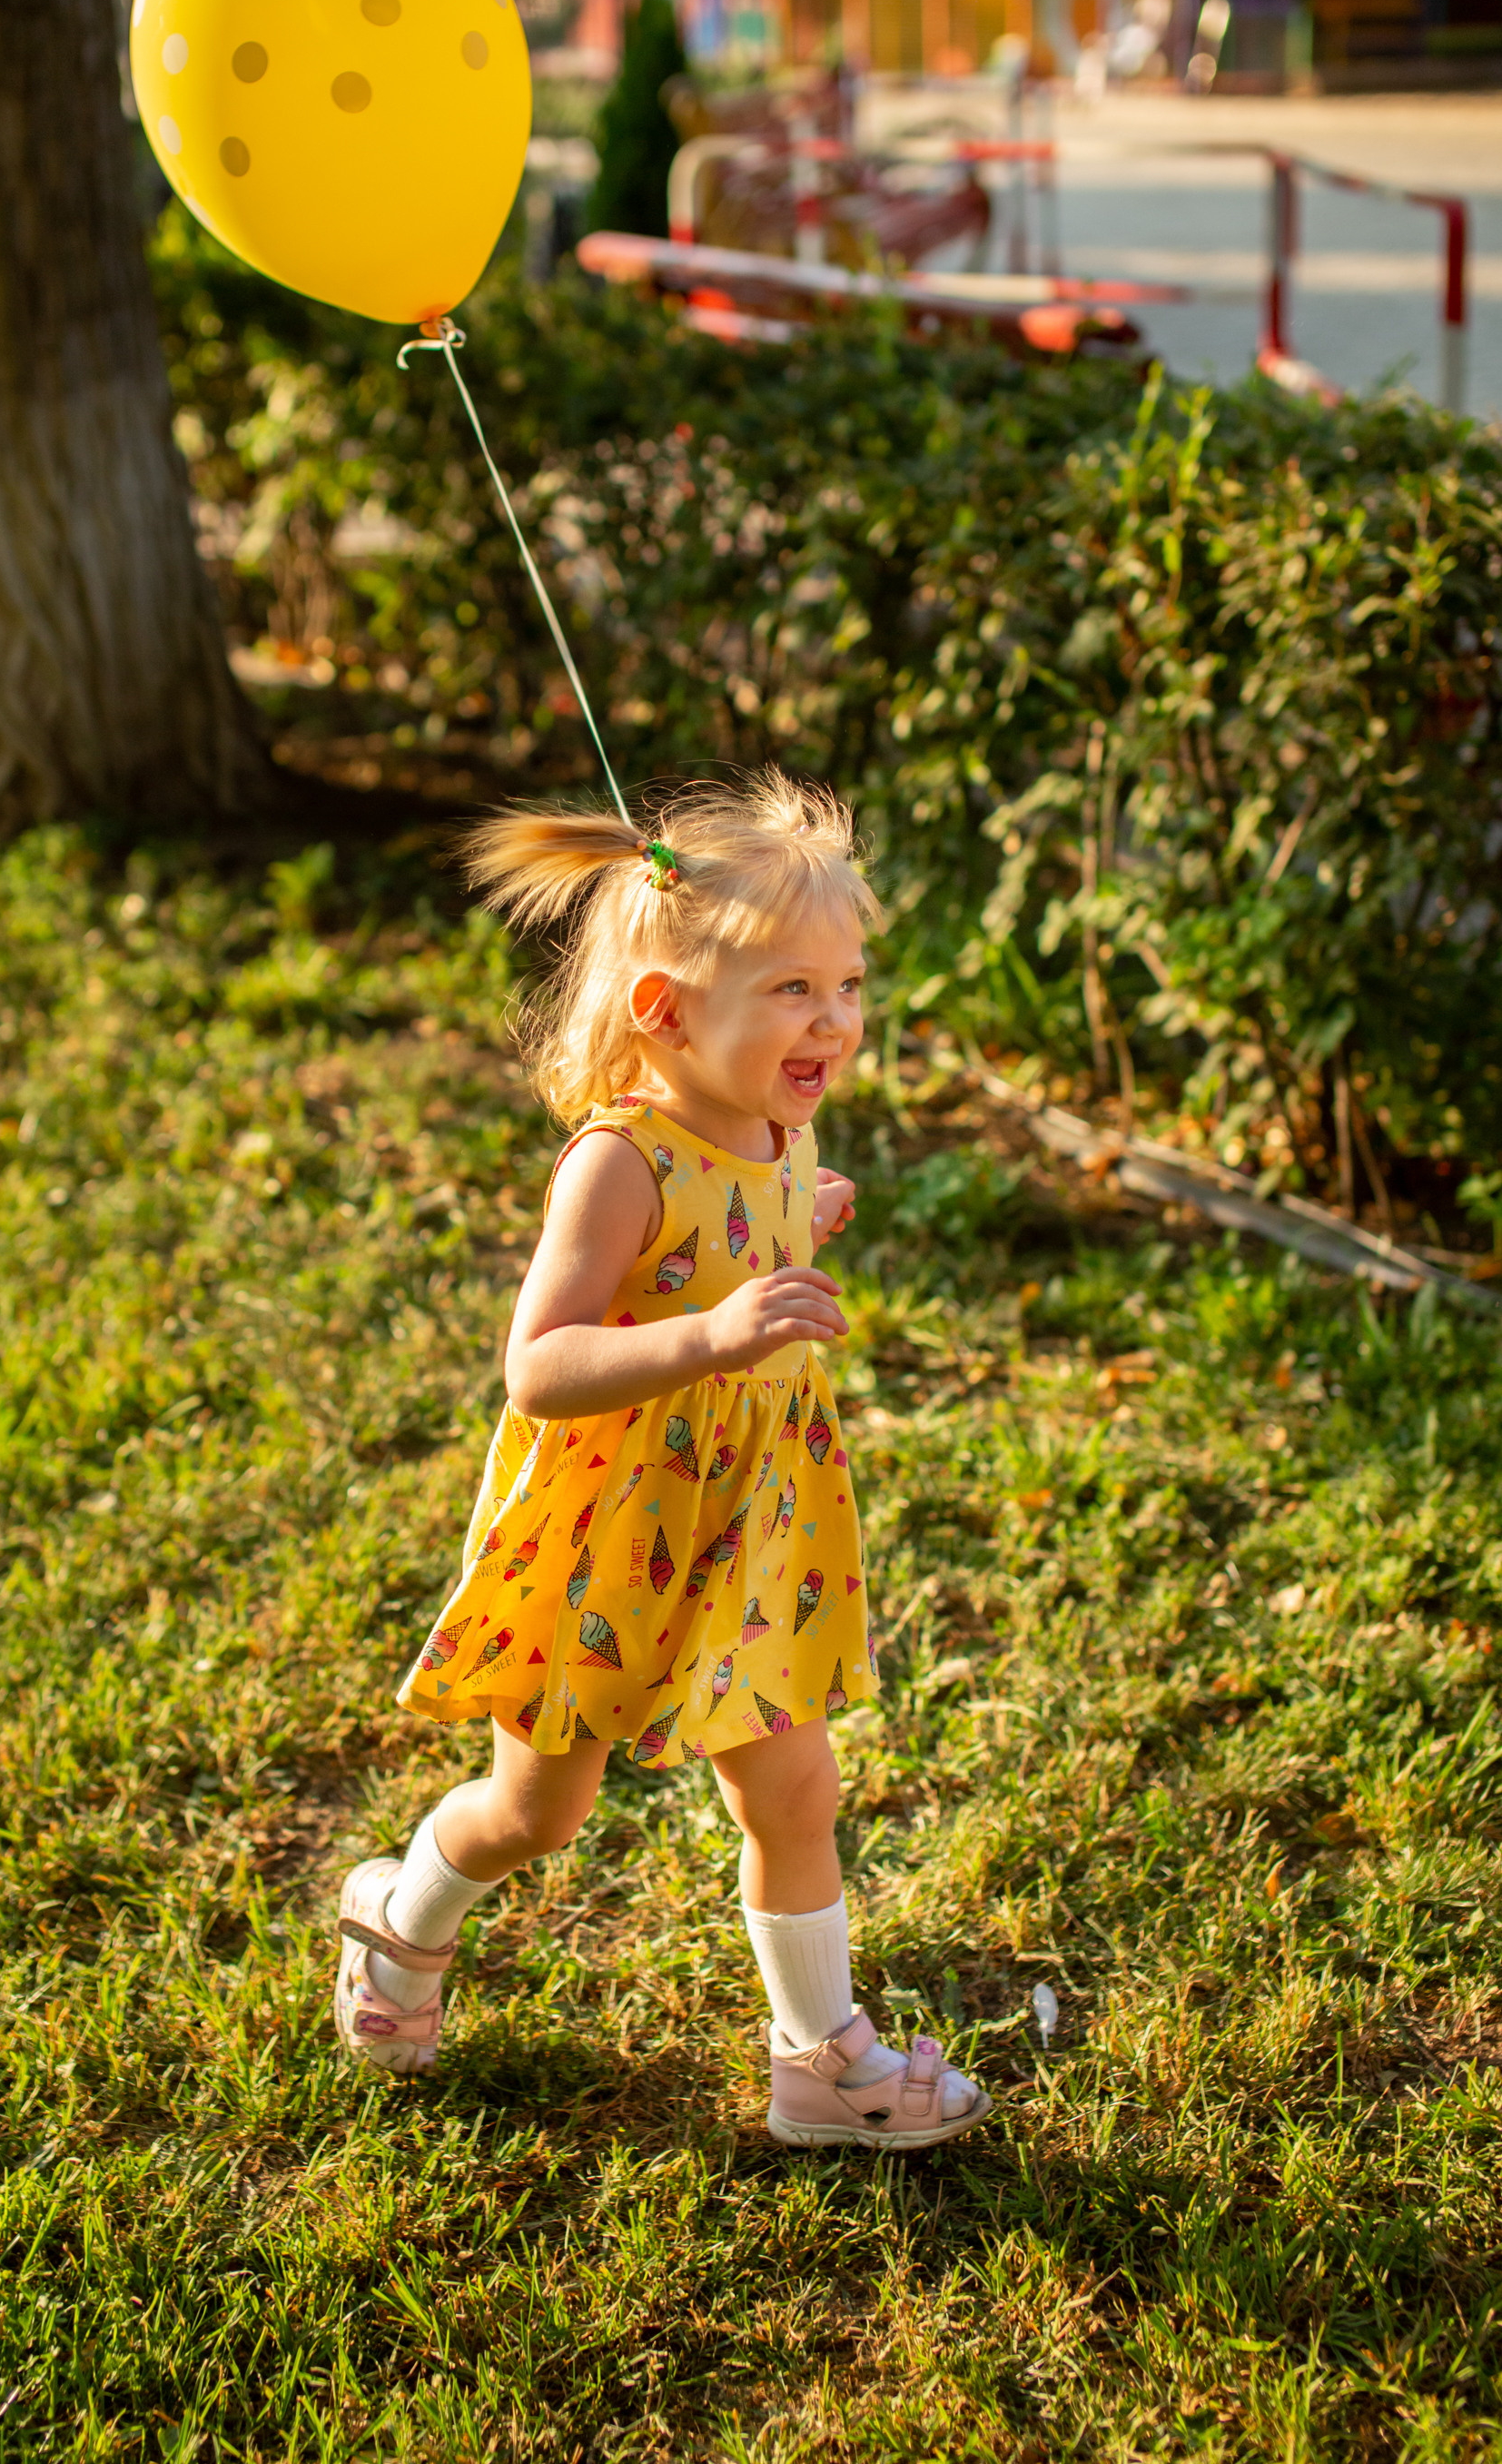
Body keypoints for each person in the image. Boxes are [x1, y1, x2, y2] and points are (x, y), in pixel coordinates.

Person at [333, 773, 990, 2151]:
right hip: (616, 1525)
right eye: (794, 991)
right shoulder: (616, 1163)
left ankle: (819, 2061)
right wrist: (713, 1327)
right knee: (538, 1812)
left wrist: (794, 1212)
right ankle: (402, 1912)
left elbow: (743, 1227)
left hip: (748, 1519)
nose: (837, 1021)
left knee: (793, 1784)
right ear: (665, 1011)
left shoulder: (775, 1125)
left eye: (849, 985)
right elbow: (543, 1365)